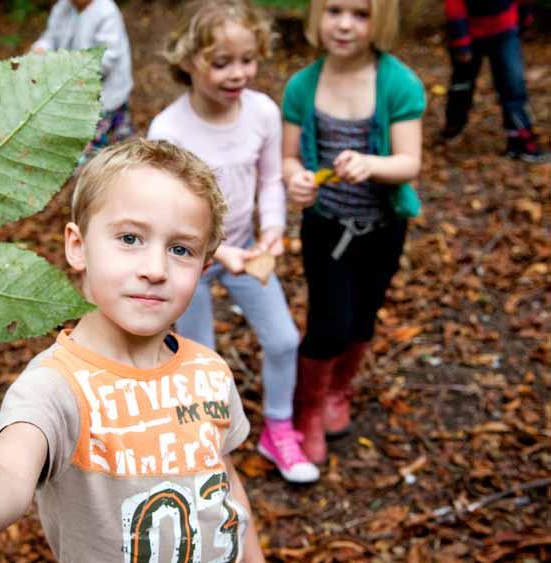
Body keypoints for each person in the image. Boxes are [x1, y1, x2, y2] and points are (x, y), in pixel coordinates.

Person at [0, 139, 266, 562]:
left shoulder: (208, 370)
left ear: (204, 263)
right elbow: (5, 472)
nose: (155, 270)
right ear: (78, 246)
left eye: (181, 249)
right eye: (129, 238)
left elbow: (225, 482)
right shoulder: (55, 387)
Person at [148, 0, 318, 484]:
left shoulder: (262, 112)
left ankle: (278, 429)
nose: (237, 73)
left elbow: (268, 180)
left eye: (247, 60)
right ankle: (205, 442)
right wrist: (216, 252)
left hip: (248, 248)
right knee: (199, 352)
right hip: (190, 260)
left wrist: (273, 231)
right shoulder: (170, 129)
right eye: (221, 62)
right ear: (187, 60)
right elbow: (170, 213)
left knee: (284, 339)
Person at [282, 0, 425, 464]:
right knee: (329, 322)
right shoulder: (303, 87)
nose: (344, 24)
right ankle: (307, 409)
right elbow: (289, 158)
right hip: (326, 227)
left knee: (364, 315)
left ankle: (336, 393)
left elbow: (410, 161)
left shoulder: (398, 83)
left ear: (380, 20)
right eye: (334, 10)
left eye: (360, 13)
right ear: (317, 16)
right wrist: (296, 179)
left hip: (383, 227)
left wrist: (371, 164)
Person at [442, 0, 549, 162]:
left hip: (504, 30)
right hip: (470, 33)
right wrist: (461, 42)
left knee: (513, 84)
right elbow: (454, 6)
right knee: (462, 85)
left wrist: (524, 20)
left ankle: (519, 140)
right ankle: (453, 126)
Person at [31, 0, 134, 162]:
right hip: (75, 95)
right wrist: (41, 49)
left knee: (114, 142)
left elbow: (106, 60)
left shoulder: (106, 12)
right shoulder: (63, 8)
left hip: (106, 96)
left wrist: (64, 69)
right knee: (91, 146)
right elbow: (50, 37)